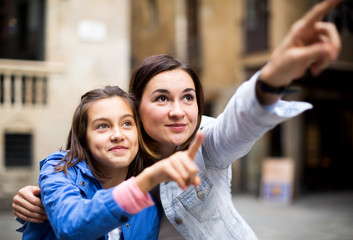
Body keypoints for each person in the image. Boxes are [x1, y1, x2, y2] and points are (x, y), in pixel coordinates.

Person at [13, 0, 342, 239]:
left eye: (188, 97)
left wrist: (272, 77)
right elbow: (77, 203)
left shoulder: (205, 141)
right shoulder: (122, 155)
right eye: (161, 98)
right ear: (136, 109)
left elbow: (239, 125)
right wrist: (40, 200)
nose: (178, 111)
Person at [20, 85, 204, 240]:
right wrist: (147, 179)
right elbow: (70, 226)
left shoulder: (150, 209)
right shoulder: (59, 167)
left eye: (127, 124)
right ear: (85, 138)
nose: (118, 135)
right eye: (102, 126)